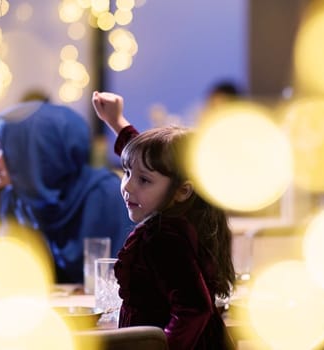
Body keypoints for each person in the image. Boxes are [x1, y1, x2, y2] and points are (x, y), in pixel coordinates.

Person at [92, 91, 235, 349]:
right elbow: (154, 162)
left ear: (183, 190)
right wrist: (117, 122)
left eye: (143, 180)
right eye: (127, 173)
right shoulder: (186, 212)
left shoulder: (162, 236)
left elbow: (194, 308)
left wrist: (164, 347)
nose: (128, 187)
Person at [0, 100, 132, 284]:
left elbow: (128, 284)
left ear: (36, 151)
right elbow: (7, 278)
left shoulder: (106, 196)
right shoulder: (16, 198)